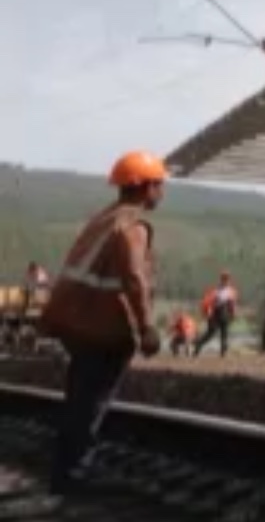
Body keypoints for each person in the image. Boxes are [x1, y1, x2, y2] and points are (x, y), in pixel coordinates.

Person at [37, 150, 166, 494]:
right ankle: (75, 477)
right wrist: (146, 328)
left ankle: (63, 474)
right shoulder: (131, 226)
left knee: (78, 402)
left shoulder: (104, 219)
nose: (162, 191)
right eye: (159, 184)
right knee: (91, 406)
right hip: (106, 330)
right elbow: (134, 278)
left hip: (78, 324)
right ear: (146, 187)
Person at [193, 271, 236, 356]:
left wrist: (232, 314)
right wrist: (208, 312)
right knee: (211, 333)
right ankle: (199, 344)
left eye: (227, 279)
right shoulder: (215, 290)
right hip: (214, 313)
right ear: (221, 279)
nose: (226, 281)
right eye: (224, 278)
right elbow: (207, 301)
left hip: (225, 313)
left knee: (224, 332)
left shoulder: (231, 291)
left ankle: (223, 351)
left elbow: (232, 304)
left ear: (229, 280)